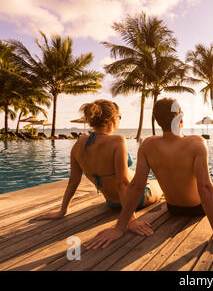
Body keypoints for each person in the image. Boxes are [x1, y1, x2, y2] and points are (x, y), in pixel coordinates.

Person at [85, 98, 213, 254]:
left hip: (173, 208)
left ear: (158, 121)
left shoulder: (147, 145)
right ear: (180, 120)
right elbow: (205, 188)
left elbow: (136, 187)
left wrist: (119, 227)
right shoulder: (196, 143)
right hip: (197, 209)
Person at [32, 99, 161, 236]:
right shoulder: (118, 141)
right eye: (119, 117)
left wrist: (62, 211)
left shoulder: (79, 143)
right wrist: (131, 220)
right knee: (159, 183)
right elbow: (122, 183)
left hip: (111, 202)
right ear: (113, 119)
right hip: (134, 199)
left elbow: (73, 181)